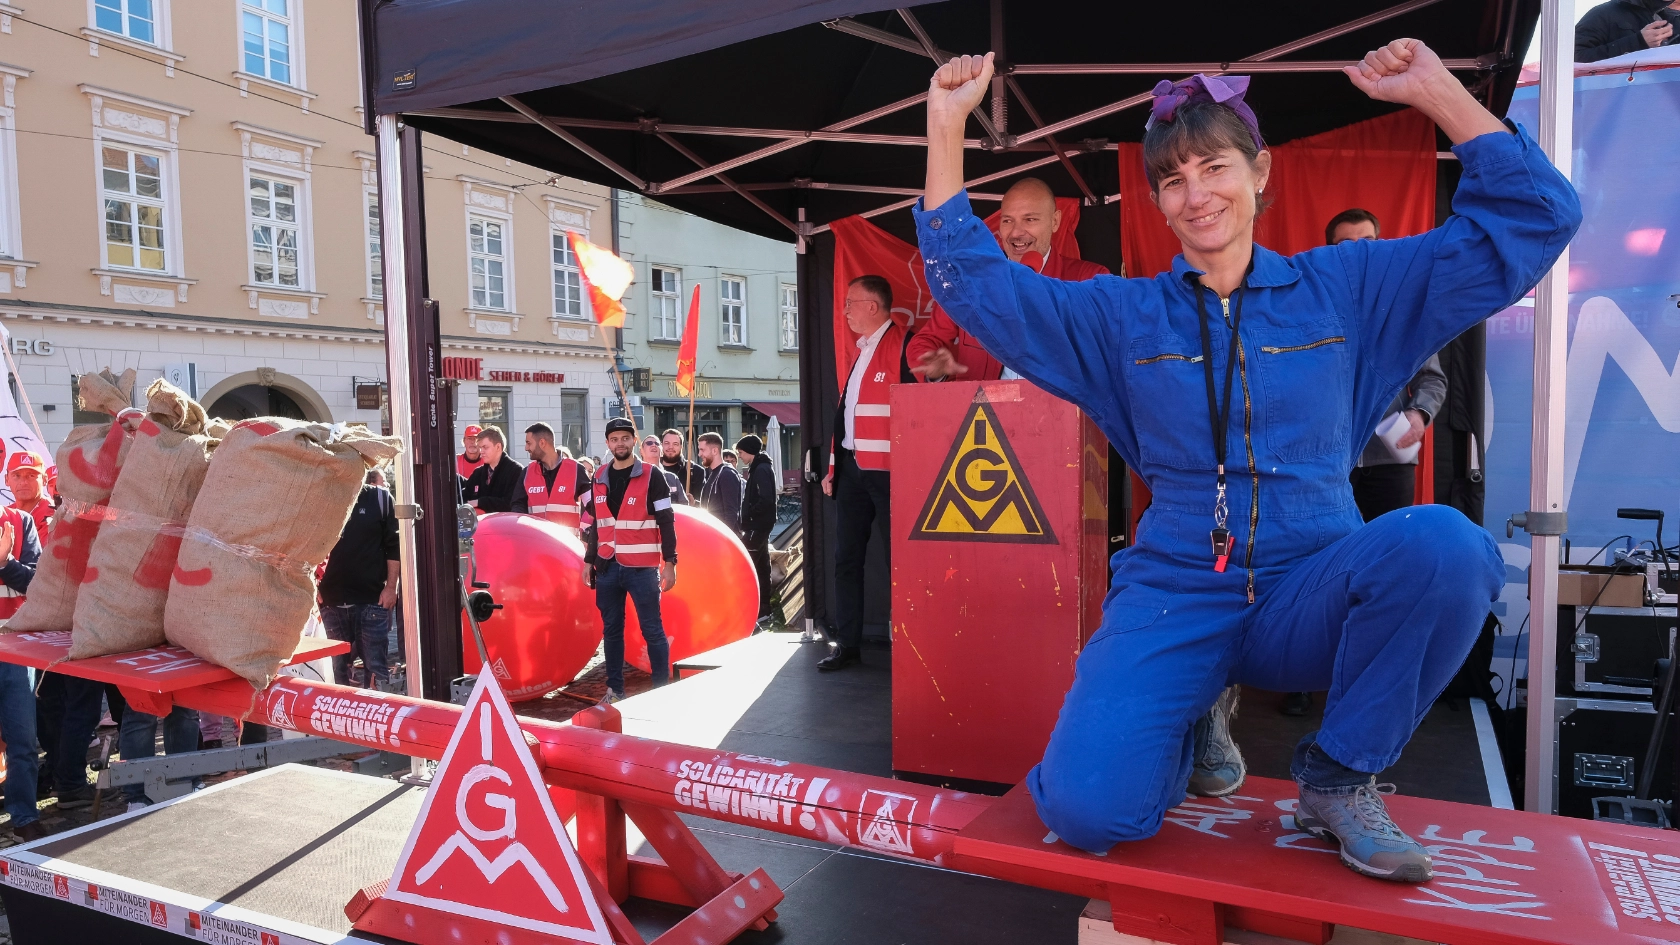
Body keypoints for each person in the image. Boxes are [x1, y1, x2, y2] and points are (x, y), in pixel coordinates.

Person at [917, 43, 1578, 881]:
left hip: (1312, 581)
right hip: (1176, 589)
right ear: (1156, 200)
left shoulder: (1348, 287)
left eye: (1214, 167)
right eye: (1173, 180)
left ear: (1260, 171)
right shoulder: (1124, 316)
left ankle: (1339, 778)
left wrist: (1441, 95)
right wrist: (946, 127)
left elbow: (1535, 219)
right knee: (1091, 814)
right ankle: (1186, 714)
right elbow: (976, 285)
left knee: (1451, 547)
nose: (1198, 196)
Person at [909, 178, 1111, 382]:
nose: (1016, 233)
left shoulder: (1089, 280)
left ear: (1055, 221)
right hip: (984, 412)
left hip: (1058, 411)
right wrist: (934, 368)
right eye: (1007, 220)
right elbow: (926, 342)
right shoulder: (972, 283)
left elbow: (1109, 353)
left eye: (1030, 219)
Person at [820, 274, 915, 672]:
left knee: (903, 563)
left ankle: (911, 645)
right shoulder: (859, 352)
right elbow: (847, 417)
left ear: (872, 307)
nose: (844, 311)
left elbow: (923, 409)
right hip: (853, 471)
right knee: (847, 560)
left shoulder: (906, 344)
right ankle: (848, 643)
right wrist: (832, 467)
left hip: (893, 474)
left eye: (849, 303)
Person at [583, 417, 678, 704]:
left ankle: (663, 690)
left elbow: (667, 521)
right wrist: (589, 560)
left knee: (652, 629)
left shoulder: (652, 475)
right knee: (611, 631)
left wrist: (670, 563)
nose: (620, 443)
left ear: (634, 441)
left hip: (642, 569)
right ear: (608, 443)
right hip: (607, 567)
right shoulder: (598, 476)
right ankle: (615, 690)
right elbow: (598, 524)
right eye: (614, 439)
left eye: (625, 438)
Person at [318, 469, 401, 689]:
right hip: (330, 602)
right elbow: (304, 544)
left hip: (372, 601)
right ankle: (337, 723)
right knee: (334, 676)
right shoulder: (319, 496)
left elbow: (394, 547)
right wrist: (311, 585)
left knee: (376, 672)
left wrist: (391, 587)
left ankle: (378, 722)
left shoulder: (380, 498)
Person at [0, 502, 42, 838]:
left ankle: (24, 817)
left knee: (23, 740)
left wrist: (5, 563)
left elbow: (37, 584)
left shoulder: (20, 520)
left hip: (14, 650)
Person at [736, 435, 778, 626]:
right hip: (759, 524)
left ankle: (751, 608)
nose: (740, 456)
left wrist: (750, 514)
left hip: (757, 525)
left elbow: (766, 498)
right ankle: (764, 609)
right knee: (762, 566)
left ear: (750, 452)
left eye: (742, 452)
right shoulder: (760, 467)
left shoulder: (760, 469)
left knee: (749, 565)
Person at [523, 422, 592, 532]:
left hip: (567, 545)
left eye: (528, 443)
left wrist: (589, 534)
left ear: (542, 443)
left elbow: (593, 506)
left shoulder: (576, 469)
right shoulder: (527, 472)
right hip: (537, 544)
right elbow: (517, 506)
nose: (526, 448)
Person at [1575, 0, 1679, 62]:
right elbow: (1572, 59)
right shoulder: (1603, 13)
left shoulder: (1674, 18)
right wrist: (1638, 42)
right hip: (1616, 96)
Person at [462, 427, 526, 513]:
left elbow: (512, 503)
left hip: (504, 524)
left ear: (498, 447)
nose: (481, 451)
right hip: (480, 525)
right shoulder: (478, 473)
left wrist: (480, 502)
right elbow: (464, 497)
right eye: (480, 447)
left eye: (485, 447)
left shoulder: (516, 471)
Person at [696, 432, 742, 536]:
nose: (699, 454)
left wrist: (724, 538)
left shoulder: (727, 474)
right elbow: (713, 505)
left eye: (702, 450)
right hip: (714, 536)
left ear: (715, 451)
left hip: (723, 538)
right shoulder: (712, 473)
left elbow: (731, 513)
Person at [642, 435, 690, 504]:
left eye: (657, 443)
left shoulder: (672, 478)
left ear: (662, 452)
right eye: (649, 443)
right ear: (641, 451)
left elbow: (683, 506)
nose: (653, 445)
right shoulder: (635, 477)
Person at [659, 429, 705, 500]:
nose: (670, 447)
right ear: (661, 445)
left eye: (675, 444)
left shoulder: (696, 471)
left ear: (681, 447)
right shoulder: (654, 469)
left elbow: (705, 504)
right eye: (667, 443)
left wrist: (694, 503)